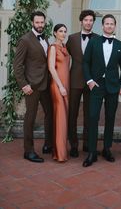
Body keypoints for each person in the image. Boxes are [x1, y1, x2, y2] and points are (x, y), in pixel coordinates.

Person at [82, 14, 121, 167]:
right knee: (93, 117)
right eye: (106, 23)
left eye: (111, 24)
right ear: (102, 26)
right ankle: (92, 152)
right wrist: (89, 81)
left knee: (110, 117)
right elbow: (85, 62)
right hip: (96, 85)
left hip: (113, 87)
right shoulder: (93, 41)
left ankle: (107, 148)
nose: (109, 26)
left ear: (115, 26)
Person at [13, 11, 53, 163]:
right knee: (30, 118)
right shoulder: (25, 40)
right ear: (32, 23)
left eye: (42, 22)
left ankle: (48, 144)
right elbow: (17, 66)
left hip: (46, 84)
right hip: (32, 86)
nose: (40, 25)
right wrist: (24, 85)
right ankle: (28, 151)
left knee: (50, 113)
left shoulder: (46, 38)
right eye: (37, 22)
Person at [66, 9, 97, 157]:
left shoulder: (98, 38)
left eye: (91, 20)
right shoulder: (71, 39)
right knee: (72, 114)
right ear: (81, 22)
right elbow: (65, 58)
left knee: (90, 115)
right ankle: (73, 145)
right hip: (75, 80)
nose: (88, 23)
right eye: (86, 20)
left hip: (92, 82)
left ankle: (87, 144)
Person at [48, 24, 70, 162]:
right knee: (60, 118)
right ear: (55, 33)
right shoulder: (52, 48)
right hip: (58, 86)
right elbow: (51, 68)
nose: (63, 33)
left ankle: (61, 149)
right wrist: (60, 86)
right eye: (60, 31)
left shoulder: (65, 48)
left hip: (66, 85)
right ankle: (59, 153)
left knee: (64, 118)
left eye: (65, 31)